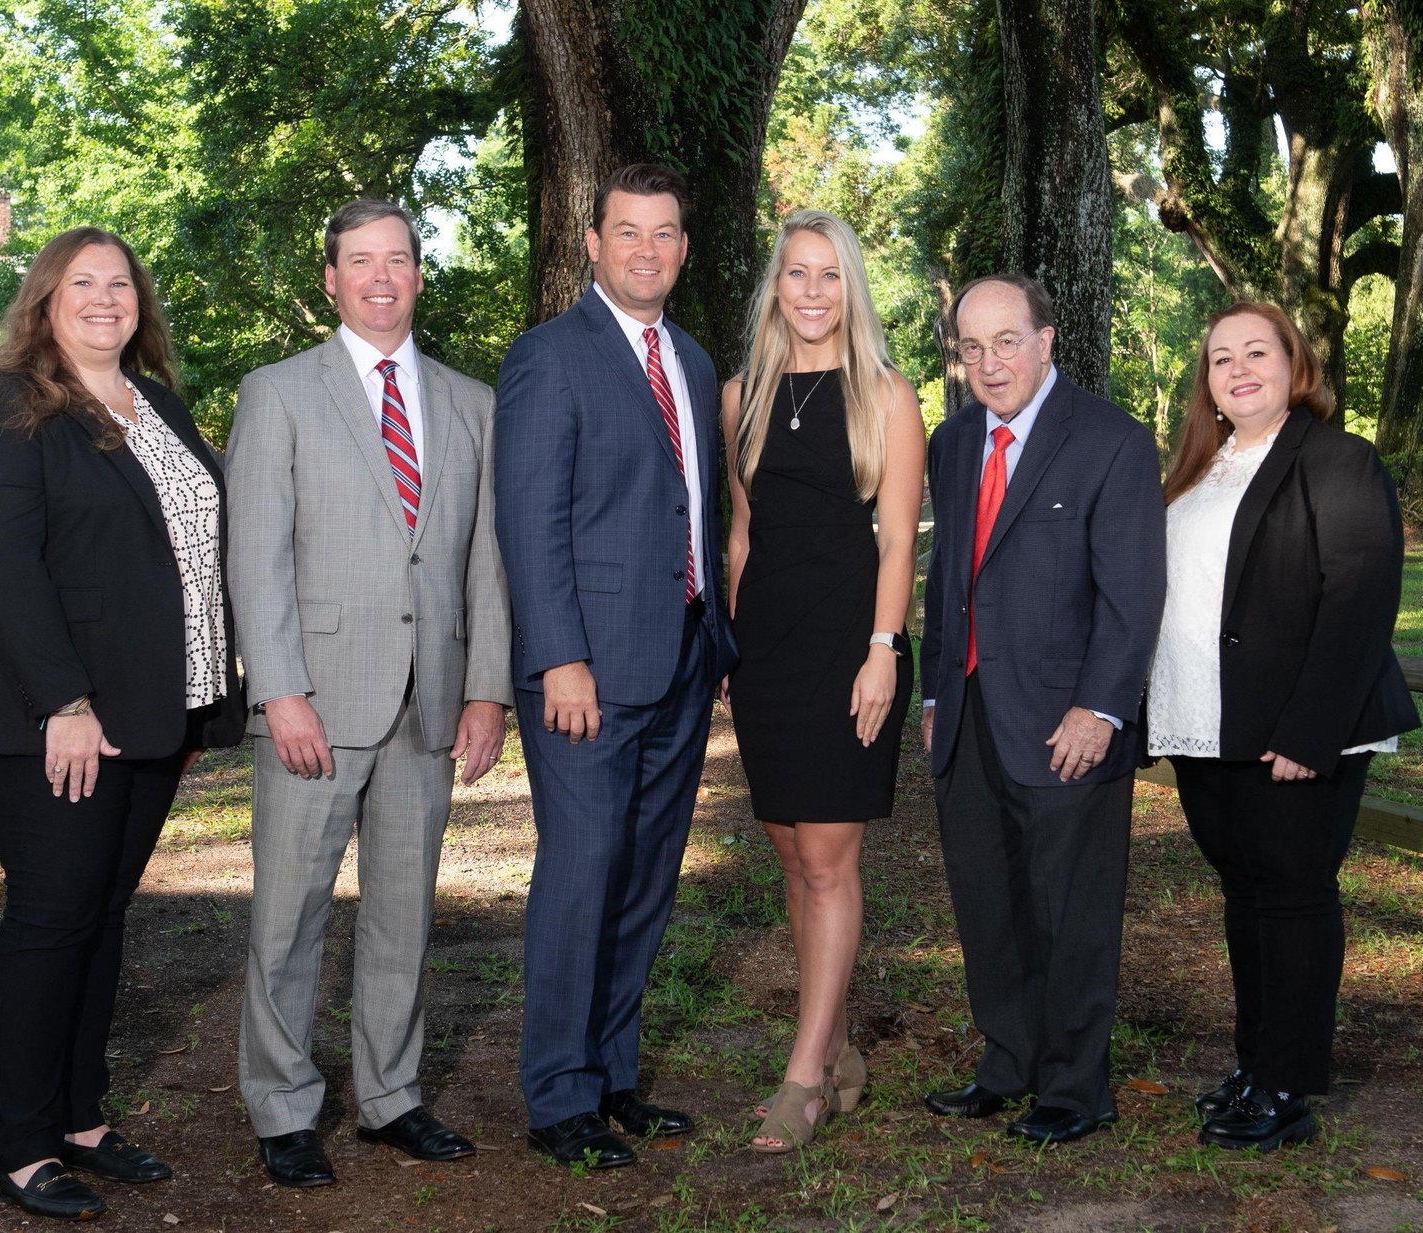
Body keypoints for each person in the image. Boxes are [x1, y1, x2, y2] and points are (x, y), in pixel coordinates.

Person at [0, 227, 244, 1220]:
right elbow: (6, 572)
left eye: (120, 284)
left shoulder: (154, 403)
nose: (104, 299)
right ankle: (24, 1147)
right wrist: (62, 705)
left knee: (103, 915)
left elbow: (190, 549)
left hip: (155, 707)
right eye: (83, 283)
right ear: (45, 299)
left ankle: (80, 1118)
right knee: (48, 920)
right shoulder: (12, 406)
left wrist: (209, 688)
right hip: (58, 721)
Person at [225, 200, 512, 1188]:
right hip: (316, 702)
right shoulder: (277, 394)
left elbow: (486, 560)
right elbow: (253, 557)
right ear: (331, 279)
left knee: (404, 915)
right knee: (289, 915)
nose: (380, 277)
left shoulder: (470, 402)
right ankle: (283, 1105)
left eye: (398, 259)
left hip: (429, 706)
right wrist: (279, 692)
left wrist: (486, 691)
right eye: (360, 261)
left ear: (419, 275)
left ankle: (391, 1097)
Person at [495, 163, 741, 1170]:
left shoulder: (689, 358)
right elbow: (529, 519)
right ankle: (556, 1097)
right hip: (586, 672)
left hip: (680, 658)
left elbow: (695, 508)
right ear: (592, 243)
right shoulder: (548, 357)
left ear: (683, 247)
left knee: (644, 879)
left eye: (666, 232)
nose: (647, 249)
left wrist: (712, 638)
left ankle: (612, 1077)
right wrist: (559, 659)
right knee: (582, 873)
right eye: (628, 232)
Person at [1148, 302, 1419, 1151]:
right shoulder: (1199, 467)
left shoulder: (1338, 460)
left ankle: (1289, 1083)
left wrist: (1310, 733)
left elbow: (1360, 598)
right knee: (1244, 894)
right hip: (1208, 721)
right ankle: (1257, 1060)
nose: (1238, 369)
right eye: (1220, 358)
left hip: (1298, 730)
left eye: (1256, 351)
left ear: (1293, 364)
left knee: (1294, 897)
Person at [917, 274, 1166, 1145]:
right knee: (987, 898)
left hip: (1067, 722)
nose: (990, 363)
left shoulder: (1111, 441)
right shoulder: (951, 444)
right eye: (972, 347)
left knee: (1071, 906)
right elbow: (948, 576)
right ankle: (1008, 1062)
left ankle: (1074, 1086)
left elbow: (1134, 594)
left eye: (1007, 341)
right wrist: (938, 690)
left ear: (1047, 339)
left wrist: (1101, 707)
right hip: (970, 714)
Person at [720, 210, 924, 1152]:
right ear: (776, 287)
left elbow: (895, 544)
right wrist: (730, 646)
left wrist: (884, 647)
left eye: (829, 275)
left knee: (830, 858)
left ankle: (802, 1080)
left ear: (852, 288)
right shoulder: (740, 399)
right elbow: (741, 537)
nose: (811, 292)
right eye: (796, 274)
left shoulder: (888, 395)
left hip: (851, 648)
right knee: (792, 860)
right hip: (766, 651)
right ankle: (838, 1047)